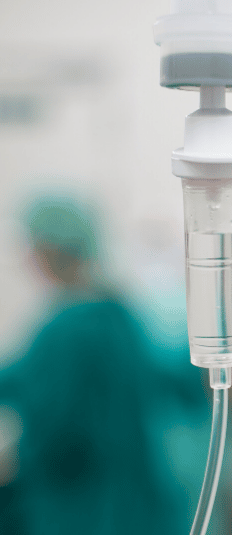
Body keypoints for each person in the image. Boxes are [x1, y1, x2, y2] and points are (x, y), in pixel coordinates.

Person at [0, 191, 206, 534]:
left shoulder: (67, 328)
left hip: (81, 506)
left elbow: (51, 425)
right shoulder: (117, 313)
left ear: (48, 249)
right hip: (136, 500)